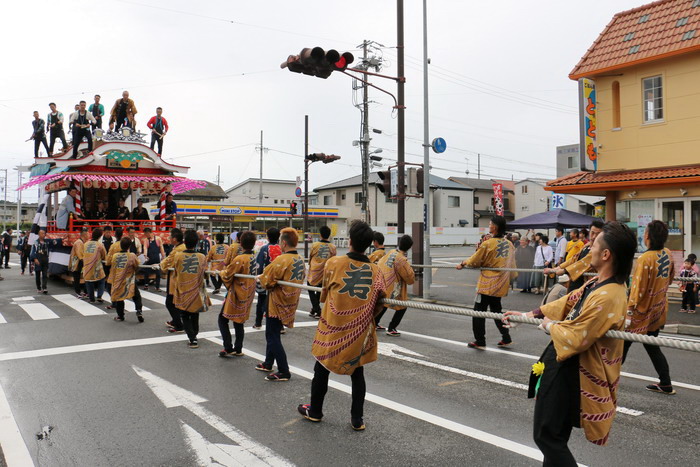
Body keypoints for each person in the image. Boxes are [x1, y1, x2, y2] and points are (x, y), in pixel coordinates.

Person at [503, 221, 636, 465]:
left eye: (594, 242)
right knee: (553, 435)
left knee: (547, 436)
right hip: (564, 363)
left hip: (572, 369)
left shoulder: (611, 295)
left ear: (606, 254)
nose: (589, 246)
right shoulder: (597, 283)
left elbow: (578, 336)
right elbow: (566, 302)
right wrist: (529, 316)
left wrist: (549, 325)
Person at [297, 220, 387, 431]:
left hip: (334, 327)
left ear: (350, 241)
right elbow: (382, 301)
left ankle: (316, 411)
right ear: (369, 244)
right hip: (359, 331)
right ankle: (357, 419)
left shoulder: (334, 263)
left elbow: (325, 294)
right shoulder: (376, 270)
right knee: (357, 372)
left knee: (322, 367)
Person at [624, 220, 676, 395]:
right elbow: (670, 277)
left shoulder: (645, 258)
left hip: (642, 311)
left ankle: (608, 377)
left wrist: (629, 311)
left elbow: (637, 289)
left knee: (623, 343)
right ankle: (666, 382)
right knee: (652, 345)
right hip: (658, 308)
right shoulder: (667, 253)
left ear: (647, 236)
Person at [457, 216, 515, 349]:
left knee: (478, 312)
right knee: (496, 311)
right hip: (501, 282)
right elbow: (513, 265)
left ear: (494, 227)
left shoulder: (488, 243)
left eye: (490, 224)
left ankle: (480, 340)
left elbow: (475, 261)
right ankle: (506, 337)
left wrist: (462, 263)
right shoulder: (509, 244)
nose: (489, 225)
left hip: (487, 284)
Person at [255, 227, 305, 381]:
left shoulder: (282, 259)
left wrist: (260, 279)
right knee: (273, 333)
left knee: (272, 335)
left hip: (277, 301)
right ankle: (268, 363)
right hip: (291, 300)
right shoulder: (300, 259)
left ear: (283, 243)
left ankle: (283, 369)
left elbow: (266, 280)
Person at [218, 231, 257, 357]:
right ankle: (238, 348)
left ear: (241, 242)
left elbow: (227, 274)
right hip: (249, 291)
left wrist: (219, 273)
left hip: (237, 292)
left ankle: (228, 347)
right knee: (239, 321)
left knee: (222, 319)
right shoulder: (253, 257)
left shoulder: (240, 258)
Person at [172, 230, 211, 348]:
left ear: (184, 241)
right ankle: (195, 334)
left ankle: (192, 337)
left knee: (184, 314)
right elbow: (205, 273)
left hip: (183, 288)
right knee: (195, 313)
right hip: (196, 289)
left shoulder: (178, 255)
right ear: (197, 243)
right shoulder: (201, 256)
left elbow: (175, 271)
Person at [545, 220, 604, 293]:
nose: (594, 236)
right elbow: (574, 259)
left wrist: (564, 271)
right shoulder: (586, 245)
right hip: (574, 279)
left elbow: (583, 263)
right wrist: (557, 268)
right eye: (592, 233)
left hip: (587, 283)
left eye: (598, 234)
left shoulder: (599, 249)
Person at [376, 235, 415, 335]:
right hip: (395, 287)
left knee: (384, 303)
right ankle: (392, 328)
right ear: (409, 247)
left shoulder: (391, 252)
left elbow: (380, 263)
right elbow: (410, 278)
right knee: (403, 306)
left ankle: (375, 323)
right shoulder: (401, 259)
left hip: (384, 283)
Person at [110, 237, 144, 323]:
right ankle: (139, 310)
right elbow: (137, 265)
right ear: (129, 246)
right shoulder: (132, 255)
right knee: (136, 295)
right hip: (129, 280)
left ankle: (120, 315)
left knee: (119, 298)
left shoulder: (115, 256)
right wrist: (134, 272)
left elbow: (113, 268)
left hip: (119, 279)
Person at [253, 227, 281, 328]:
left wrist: (257, 275)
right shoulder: (282, 249)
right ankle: (280, 326)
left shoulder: (264, 249)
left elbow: (259, 265)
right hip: (279, 280)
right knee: (278, 303)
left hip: (266, 279)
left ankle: (258, 323)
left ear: (268, 237)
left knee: (261, 301)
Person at [307, 225, 336, 319]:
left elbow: (310, 257)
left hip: (314, 271)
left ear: (320, 234)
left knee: (310, 288)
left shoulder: (315, 245)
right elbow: (333, 260)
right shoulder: (332, 247)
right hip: (325, 272)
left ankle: (317, 310)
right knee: (319, 290)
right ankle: (314, 309)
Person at [161, 228, 186, 334]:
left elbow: (166, 264)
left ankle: (179, 325)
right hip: (183, 279)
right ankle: (176, 320)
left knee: (170, 302)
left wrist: (160, 265)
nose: (169, 238)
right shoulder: (182, 247)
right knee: (177, 302)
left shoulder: (177, 250)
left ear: (175, 239)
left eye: (170, 237)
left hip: (175, 279)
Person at [82, 228, 107, 304]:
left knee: (89, 282)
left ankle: (91, 298)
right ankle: (99, 296)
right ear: (100, 237)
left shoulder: (85, 244)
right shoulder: (100, 245)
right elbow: (104, 255)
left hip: (87, 266)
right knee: (101, 280)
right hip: (96, 266)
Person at [105, 227, 124, 309]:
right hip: (124, 267)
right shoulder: (124, 244)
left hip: (115, 269)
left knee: (109, 286)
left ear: (115, 235)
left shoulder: (113, 246)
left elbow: (108, 260)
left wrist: (107, 262)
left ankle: (114, 302)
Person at [142, 227, 165, 291]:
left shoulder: (158, 239)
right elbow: (145, 248)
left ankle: (157, 287)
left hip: (156, 258)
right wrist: (145, 255)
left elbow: (161, 247)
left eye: (146, 234)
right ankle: (146, 285)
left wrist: (163, 256)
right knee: (146, 271)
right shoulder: (146, 240)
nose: (145, 235)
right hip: (149, 258)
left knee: (158, 273)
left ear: (148, 233)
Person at [69, 229, 89, 298]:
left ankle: (81, 291)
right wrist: (84, 260)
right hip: (77, 262)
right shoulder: (79, 243)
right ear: (85, 235)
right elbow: (79, 254)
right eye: (88, 234)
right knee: (77, 277)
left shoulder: (81, 242)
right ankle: (78, 292)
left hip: (79, 261)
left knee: (78, 277)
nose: (89, 235)